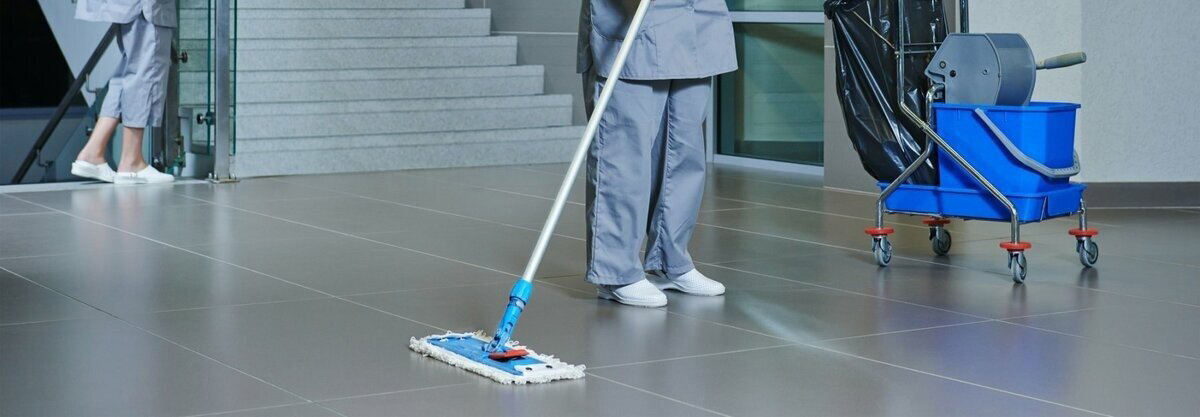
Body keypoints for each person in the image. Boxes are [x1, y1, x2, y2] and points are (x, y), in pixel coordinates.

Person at [577, 0, 737, 307]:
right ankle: (615, 272)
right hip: (631, 24)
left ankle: (669, 261)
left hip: (697, 24)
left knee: (684, 151)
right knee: (624, 155)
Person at [71, 0, 176, 184]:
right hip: (144, 6)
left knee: (131, 71)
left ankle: (92, 152)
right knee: (146, 68)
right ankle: (132, 161)